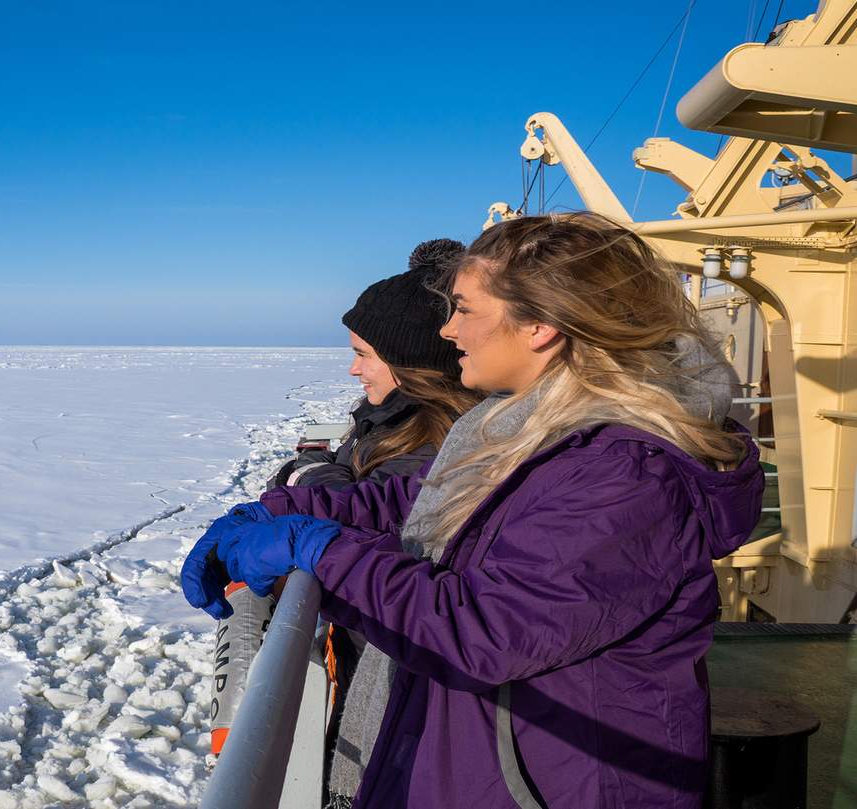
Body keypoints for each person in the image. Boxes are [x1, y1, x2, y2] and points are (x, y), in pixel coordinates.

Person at [183, 212, 764, 809]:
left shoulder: (625, 473)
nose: (449, 330)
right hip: (486, 764)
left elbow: (485, 630)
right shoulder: (534, 431)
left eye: (463, 309)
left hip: (554, 785)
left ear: (539, 325)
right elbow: (422, 501)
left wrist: (316, 550)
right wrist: (278, 510)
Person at [272, 239, 479, 489]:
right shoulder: (392, 419)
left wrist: (303, 475)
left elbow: (352, 510)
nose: (354, 369)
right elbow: (351, 465)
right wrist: (314, 465)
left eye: (363, 354)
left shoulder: (428, 451)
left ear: (409, 357)